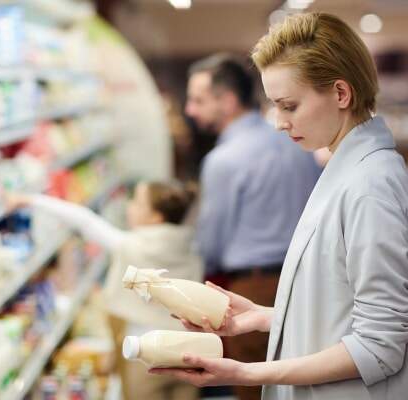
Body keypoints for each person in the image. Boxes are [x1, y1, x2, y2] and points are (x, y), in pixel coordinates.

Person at [150, 12, 408, 400]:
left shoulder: (369, 185)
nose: (279, 123)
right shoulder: (341, 166)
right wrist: (264, 317)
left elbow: (379, 346)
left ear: (341, 94)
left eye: (289, 106)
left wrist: (247, 372)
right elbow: (339, 312)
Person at [185, 53, 321, 399]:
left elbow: (211, 244)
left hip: (253, 289)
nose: (190, 110)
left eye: (198, 100)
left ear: (228, 101)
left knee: (255, 387)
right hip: (310, 279)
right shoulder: (297, 144)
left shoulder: (223, 161)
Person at [8, 180, 202, 400]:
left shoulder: (132, 246)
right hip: (191, 349)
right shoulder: (191, 247)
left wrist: (30, 200)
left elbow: (83, 220)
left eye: (137, 203)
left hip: (148, 353)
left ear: (156, 217)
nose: (129, 206)